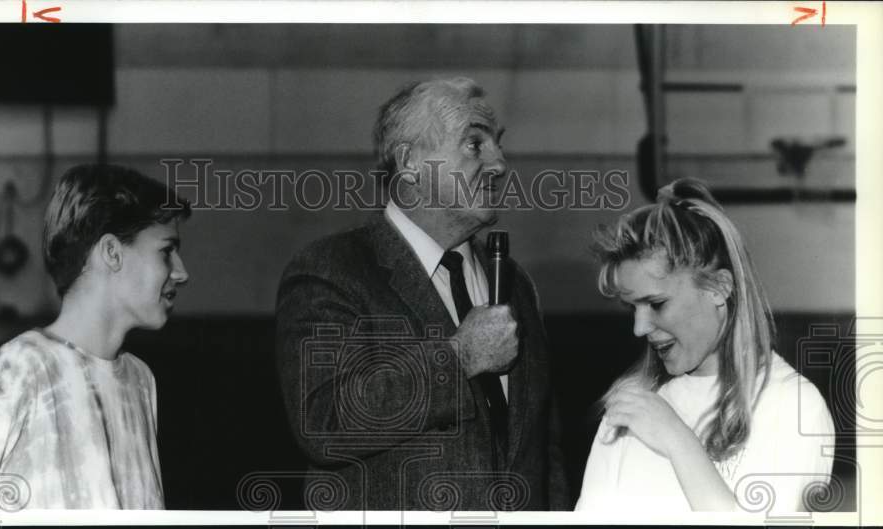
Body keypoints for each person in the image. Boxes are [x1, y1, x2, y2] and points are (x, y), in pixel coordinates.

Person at [275, 77, 569, 511]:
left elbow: (546, 452)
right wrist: (459, 358)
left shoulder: (514, 282)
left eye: (497, 144)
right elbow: (324, 424)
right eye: (474, 145)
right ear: (411, 162)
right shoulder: (333, 269)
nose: (499, 164)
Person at [0, 164, 191, 510]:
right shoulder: (17, 370)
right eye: (166, 251)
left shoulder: (140, 380)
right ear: (112, 253)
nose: (181, 272)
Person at [576, 178, 835, 512]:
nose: (639, 328)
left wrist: (677, 440)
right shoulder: (632, 405)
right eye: (632, 308)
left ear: (718, 287)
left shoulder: (793, 406)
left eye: (656, 304)